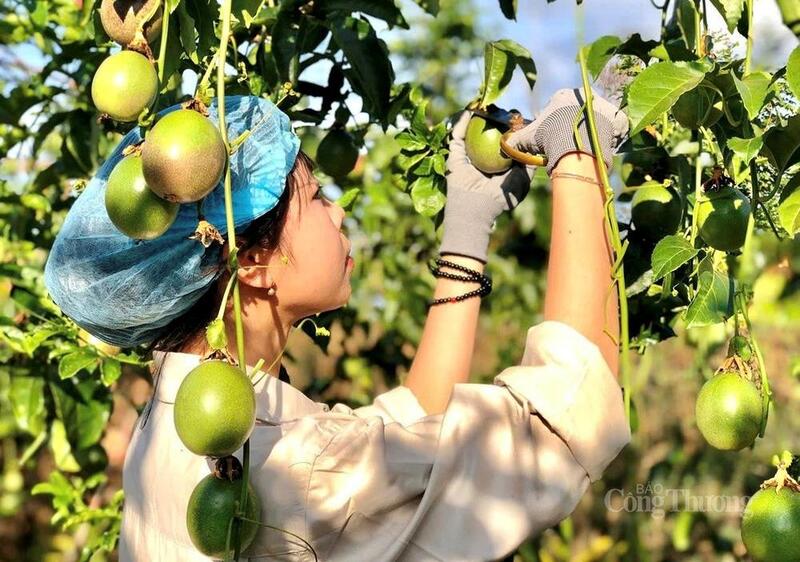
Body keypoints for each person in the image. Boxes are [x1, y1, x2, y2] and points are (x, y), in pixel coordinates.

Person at [44, 88, 631, 561]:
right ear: (250, 262)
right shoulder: (294, 468)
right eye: (318, 195)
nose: (340, 208)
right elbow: (563, 421)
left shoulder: (184, 416)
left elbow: (402, 434)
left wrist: (465, 237)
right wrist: (580, 160)